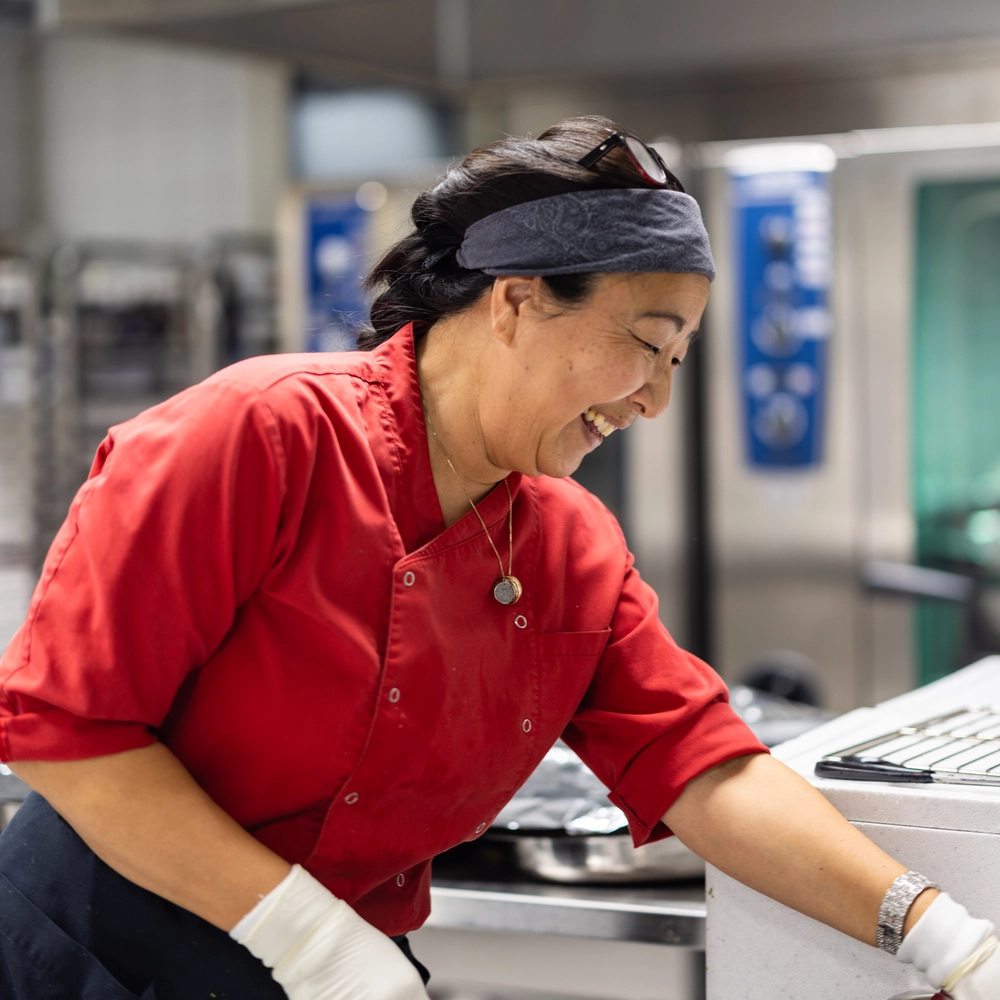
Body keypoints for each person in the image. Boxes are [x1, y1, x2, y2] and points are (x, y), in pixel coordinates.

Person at [0, 116, 996, 1000]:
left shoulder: (568, 544)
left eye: (677, 359)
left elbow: (702, 769)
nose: (655, 400)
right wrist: (310, 942)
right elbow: (63, 731)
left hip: (341, 954)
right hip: (91, 944)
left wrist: (944, 938)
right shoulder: (261, 436)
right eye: (646, 343)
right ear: (516, 303)